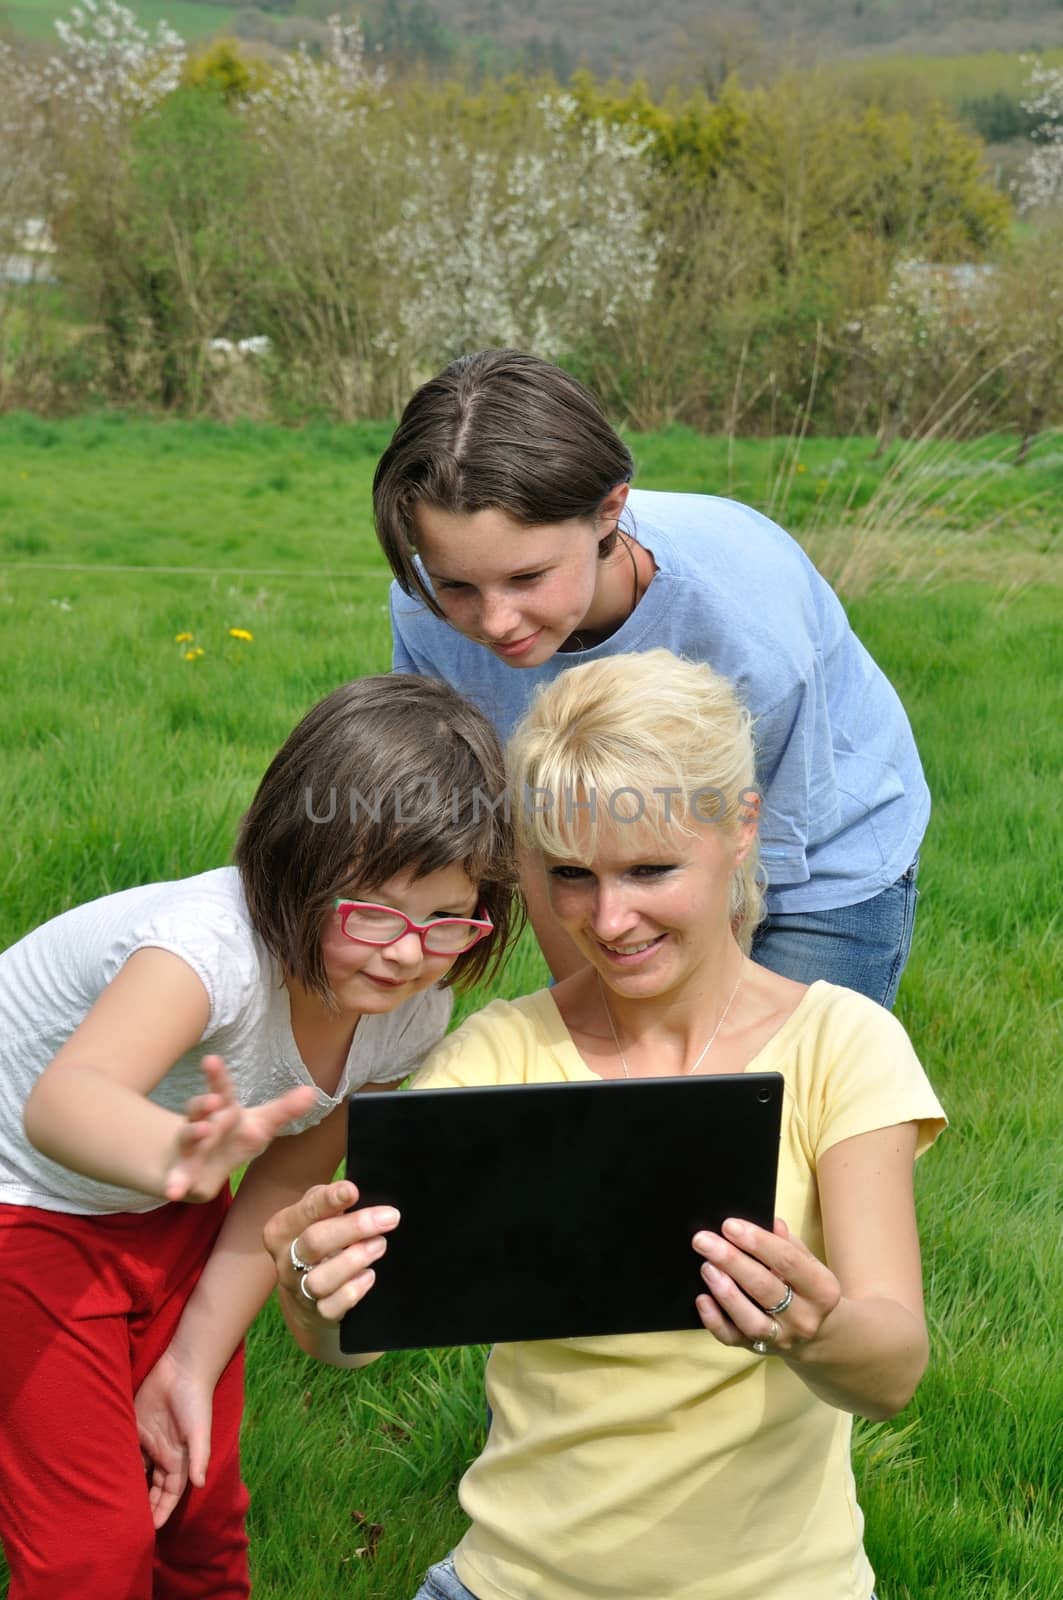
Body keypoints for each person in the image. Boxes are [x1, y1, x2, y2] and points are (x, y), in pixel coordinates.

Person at [264, 650, 946, 1600]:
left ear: (741, 828)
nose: (609, 918)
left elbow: (890, 1373)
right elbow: (356, 1341)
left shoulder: (841, 1044)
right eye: (570, 874)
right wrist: (313, 1289)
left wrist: (807, 1323)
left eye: (649, 870)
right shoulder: (497, 1056)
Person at [0, 673, 518, 1600]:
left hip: (167, 1200)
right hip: (25, 1204)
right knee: (93, 1551)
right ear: (292, 864)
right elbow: (63, 1103)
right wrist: (172, 1158)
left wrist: (190, 1366)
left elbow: (282, 1186)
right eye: (371, 907)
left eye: (446, 918)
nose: (407, 950)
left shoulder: (408, 1009)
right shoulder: (208, 951)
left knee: (198, 1498)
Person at [373, 348, 928, 1008]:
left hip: (809, 857)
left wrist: (693, 1042)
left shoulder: (742, 623)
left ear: (608, 510)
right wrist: (594, 1012)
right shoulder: (422, 611)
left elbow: (760, 849)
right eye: (455, 583)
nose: (495, 621)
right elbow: (519, 826)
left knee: (779, 1094)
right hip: (603, 860)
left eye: (527, 578)